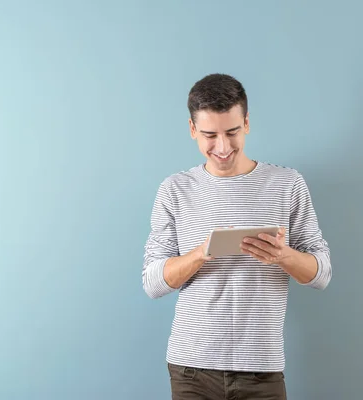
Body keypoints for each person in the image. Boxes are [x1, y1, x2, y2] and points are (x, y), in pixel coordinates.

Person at [142, 73, 332, 400]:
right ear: (192, 131)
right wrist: (200, 254)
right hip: (191, 369)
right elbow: (152, 284)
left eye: (232, 132)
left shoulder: (287, 184)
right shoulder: (174, 189)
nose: (223, 146)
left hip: (262, 368)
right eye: (209, 135)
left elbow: (322, 274)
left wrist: (283, 255)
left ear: (246, 123)